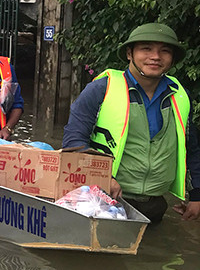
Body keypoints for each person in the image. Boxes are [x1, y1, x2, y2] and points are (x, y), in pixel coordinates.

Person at [62, 23, 200, 223]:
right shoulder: (102, 89)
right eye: (146, 48)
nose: (155, 56)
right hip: (101, 202)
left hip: (155, 206)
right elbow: (73, 141)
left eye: (165, 51)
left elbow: (192, 148)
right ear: (129, 53)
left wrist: (197, 195)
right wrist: (102, 178)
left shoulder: (180, 96)